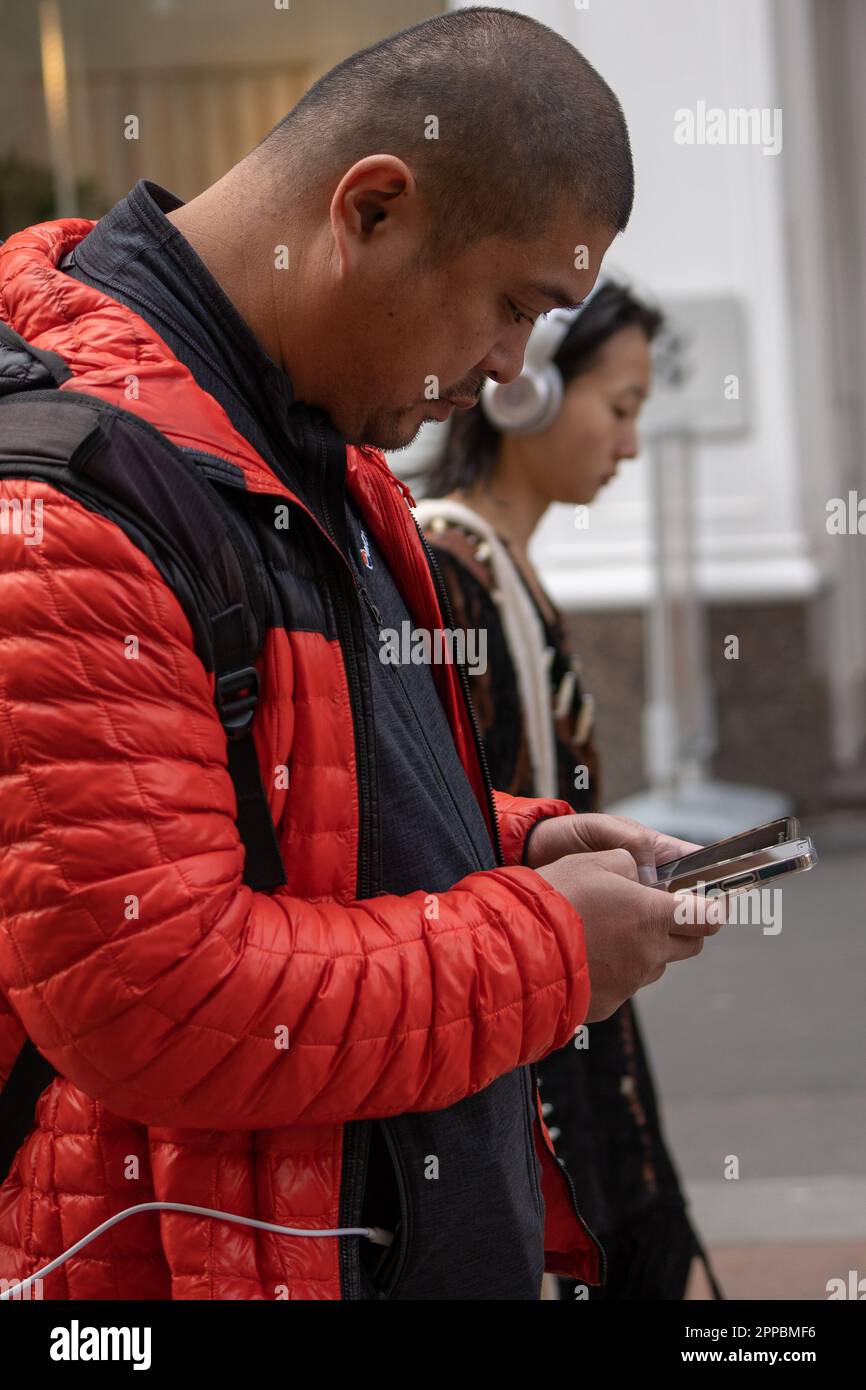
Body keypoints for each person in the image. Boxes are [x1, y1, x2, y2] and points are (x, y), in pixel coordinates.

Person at [0, 7, 721, 1301]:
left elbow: (289, 799)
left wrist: (512, 843)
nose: (509, 372)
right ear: (373, 207)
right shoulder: (77, 490)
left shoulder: (310, 432)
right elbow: (151, 990)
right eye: (512, 308)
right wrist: (547, 947)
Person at [416, 278, 724, 1300]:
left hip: (558, 997)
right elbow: (447, 827)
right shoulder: (451, 567)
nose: (629, 445)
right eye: (620, 408)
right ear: (527, 392)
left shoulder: (493, 564)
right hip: (531, 1009)